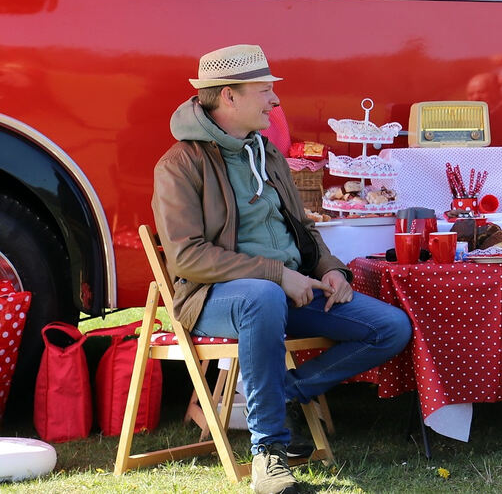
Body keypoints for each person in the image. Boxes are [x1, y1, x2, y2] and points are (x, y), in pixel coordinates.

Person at [152, 45, 413, 494]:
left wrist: (332, 270)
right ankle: (268, 459)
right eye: (265, 90)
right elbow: (186, 257)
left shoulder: (267, 154)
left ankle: (283, 393)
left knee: (390, 327)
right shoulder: (180, 163)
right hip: (214, 298)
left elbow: (302, 228)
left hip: (285, 293)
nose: (275, 101)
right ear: (229, 97)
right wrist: (277, 275)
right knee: (262, 296)